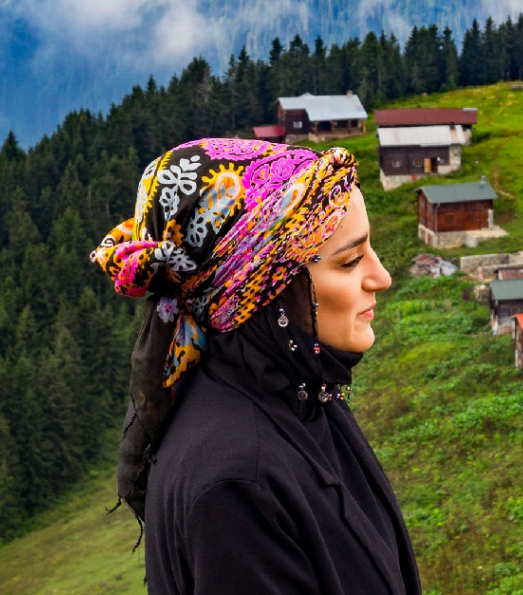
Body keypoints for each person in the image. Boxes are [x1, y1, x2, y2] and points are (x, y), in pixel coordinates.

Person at [91, 138, 421, 595]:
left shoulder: (303, 392)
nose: (381, 277)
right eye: (349, 261)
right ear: (263, 289)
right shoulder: (238, 485)